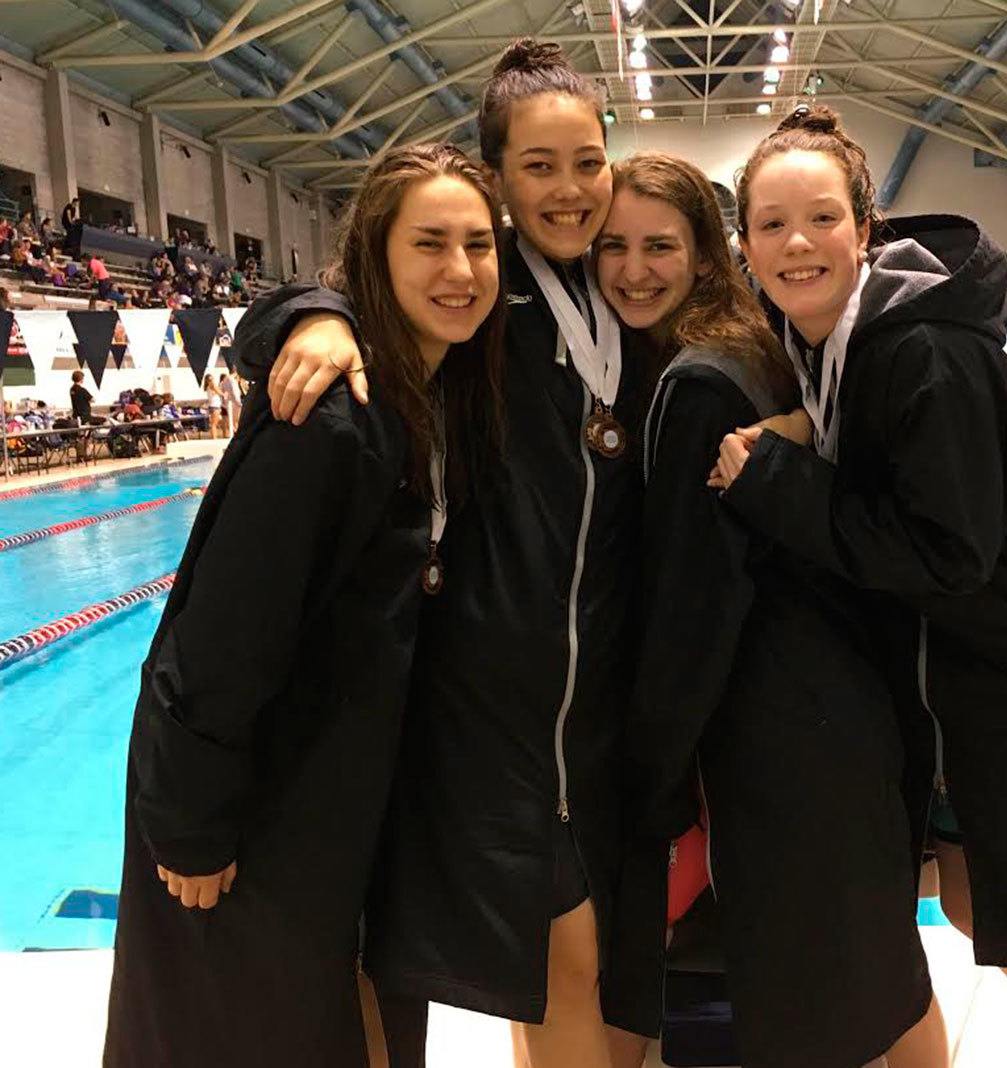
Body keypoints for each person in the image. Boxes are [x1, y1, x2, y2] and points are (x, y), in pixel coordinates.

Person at [712, 104, 1007, 1068]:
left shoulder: (927, 351)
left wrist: (779, 482)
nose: (798, 243)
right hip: (972, 665)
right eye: (772, 225)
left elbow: (945, 555)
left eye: (823, 218)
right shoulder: (832, 338)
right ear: (744, 243)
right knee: (975, 906)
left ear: (866, 228)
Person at [232, 39, 657, 1068]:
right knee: (533, 967)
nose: (568, 191)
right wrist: (314, 314)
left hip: (598, 712)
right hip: (479, 711)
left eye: (586, 162)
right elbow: (344, 294)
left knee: (579, 982)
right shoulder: (480, 290)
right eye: (539, 167)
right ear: (499, 177)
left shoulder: (634, 301)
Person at [102, 142, 505, 1068]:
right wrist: (193, 824)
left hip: (339, 809)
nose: (460, 271)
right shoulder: (331, 421)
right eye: (430, 244)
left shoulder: (431, 399)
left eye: (480, 246)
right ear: (376, 255)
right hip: (256, 819)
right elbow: (219, 630)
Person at [605, 152, 940, 1067]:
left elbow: (694, 604)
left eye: (660, 245)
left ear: (710, 249)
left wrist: (656, 770)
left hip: (784, 738)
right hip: (848, 710)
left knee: (816, 1011)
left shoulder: (697, 385)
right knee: (886, 986)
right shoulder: (758, 347)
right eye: (613, 246)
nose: (635, 268)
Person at [202, 373, 224, 438]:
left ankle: (214, 437)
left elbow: (215, 392)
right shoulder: (212, 385)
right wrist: (224, 394)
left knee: (214, 423)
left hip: (212, 405)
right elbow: (219, 392)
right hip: (215, 406)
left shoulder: (208, 387)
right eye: (211, 379)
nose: (212, 380)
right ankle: (214, 437)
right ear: (208, 380)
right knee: (214, 424)